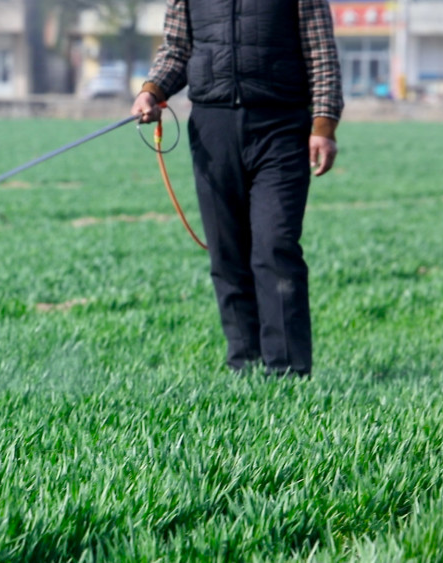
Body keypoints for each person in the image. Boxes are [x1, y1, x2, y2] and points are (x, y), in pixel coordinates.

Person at [131, 0, 343, 377]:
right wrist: (152, 90)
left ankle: (288, 371)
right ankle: (243, 364)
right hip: (212, 130)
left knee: (276, 245)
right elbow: (177, 48)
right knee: (226, 252)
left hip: (281, 126)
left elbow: (321, 53)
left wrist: (323, 126)